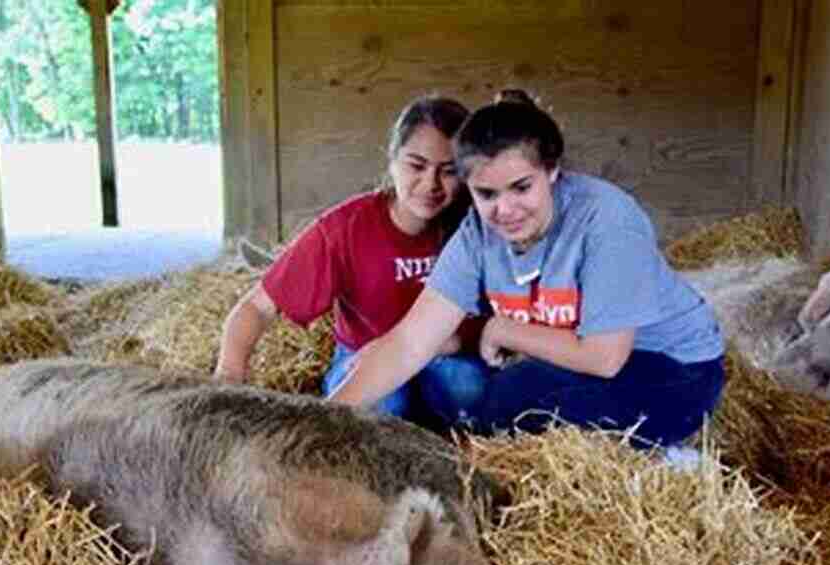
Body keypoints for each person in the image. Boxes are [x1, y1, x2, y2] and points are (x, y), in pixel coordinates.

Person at [328, 90, 726, 453]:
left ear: (552, 171)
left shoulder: (606, 220)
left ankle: (672, 464)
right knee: (497, 405)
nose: (505, 210)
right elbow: (410, 343)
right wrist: (319, 424)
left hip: (673, 365)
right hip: (584, 360)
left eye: (521, 187)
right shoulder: (476, 235)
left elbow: (605, 358)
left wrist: (501, 330)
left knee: (536, 426)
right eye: (486, 194)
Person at [214, 95, 489, 428]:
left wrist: (446, 342)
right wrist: (229, 375)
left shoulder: (474, 226)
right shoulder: (346, 228)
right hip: (365, 353)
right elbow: (256, 307)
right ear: (392, 159)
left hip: (446, 354)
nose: (430, 184)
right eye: (416, 165)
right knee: (380, 410)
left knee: (470, 389)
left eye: (448, 172)